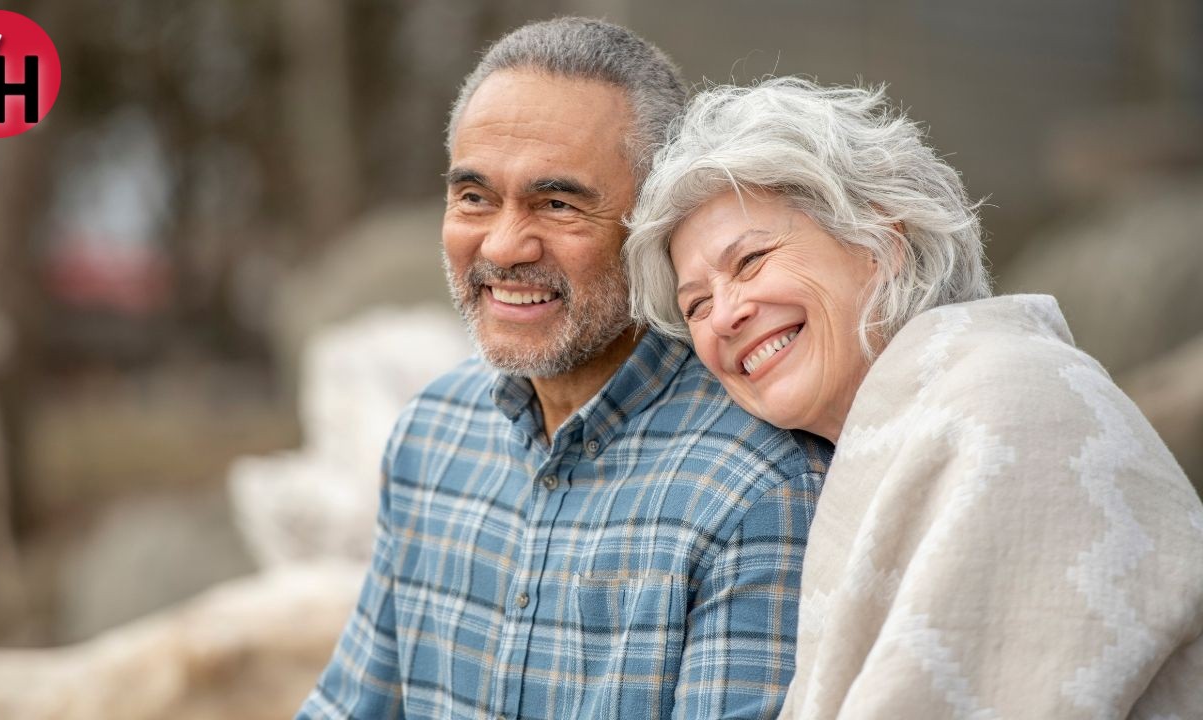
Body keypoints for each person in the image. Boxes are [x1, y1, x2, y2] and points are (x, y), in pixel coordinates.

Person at [297, 21, 834, 720]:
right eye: (474, 197)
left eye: (557, 203)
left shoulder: (758, 485)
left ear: (654, 226)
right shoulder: (431, 432)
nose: (504, 244)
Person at [626, 77, 1203, 719]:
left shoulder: (1010, 402)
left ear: (882, 244)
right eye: (696, 304)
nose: (725, 314)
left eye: (752, 260)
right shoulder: (879, 436)